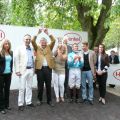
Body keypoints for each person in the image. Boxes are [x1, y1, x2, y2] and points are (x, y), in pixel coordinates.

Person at [31, 28, 55, 107]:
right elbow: (32, 41)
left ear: (46, 43)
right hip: (40, 69)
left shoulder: (49, 47)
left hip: (48, 69)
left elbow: (54, 40)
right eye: (42, 42)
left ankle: (49, 100)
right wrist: (37, 33)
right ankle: (39, 100)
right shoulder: (37, 47)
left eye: (45, 42)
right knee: (40, 85)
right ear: (40, 42)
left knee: (48, 85)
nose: (43, 44)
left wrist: (48, 33)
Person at [14, 34, 35, 111]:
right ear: (23, 40)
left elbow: (33, 60)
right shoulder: (19, 48)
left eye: (29, 39)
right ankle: (20, 104)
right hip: (23, 71)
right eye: (26, 39)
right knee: (22, 88)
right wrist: (17, 70)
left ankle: (28, 102)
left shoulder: (32, 49)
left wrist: (34, 70)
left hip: (30, 70)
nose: (28, 40)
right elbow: (16, 60)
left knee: (29, 87)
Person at [0, 39, 13, 114]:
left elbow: (11, 62)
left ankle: (6, 105)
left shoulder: (11, 52)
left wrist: (11, 70)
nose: (7, 45)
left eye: (8, 44)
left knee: (7, 90)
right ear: (2, 45)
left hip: (8, 74)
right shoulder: (0, 53)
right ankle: (1, 108)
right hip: (1, 75)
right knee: (0, 91)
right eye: (5, 44)